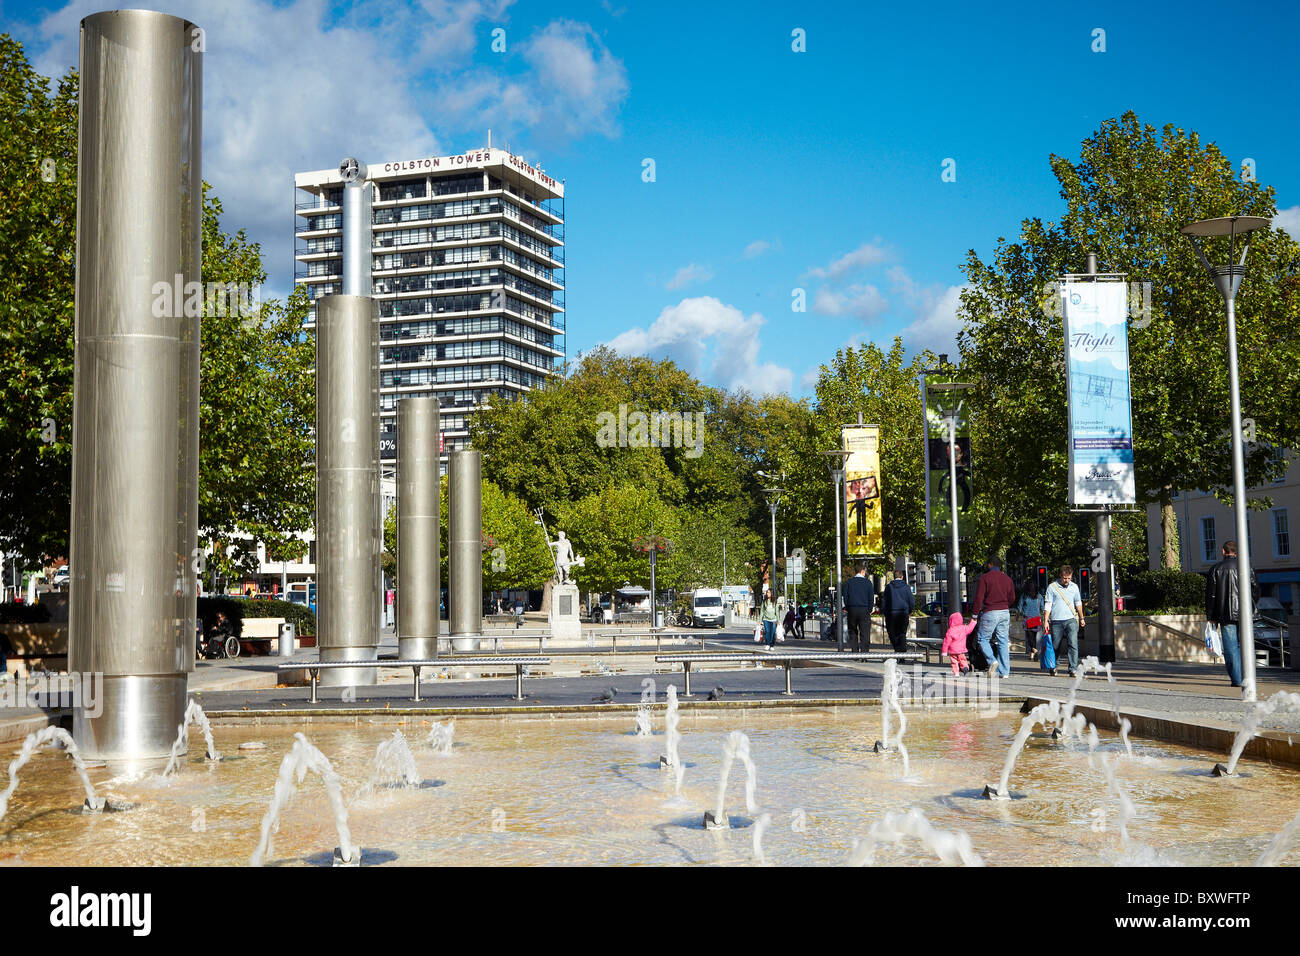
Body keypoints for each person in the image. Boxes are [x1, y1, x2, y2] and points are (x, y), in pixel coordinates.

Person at [1205, 540, 1259, 689]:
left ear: (1223, 551)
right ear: (1237, 552)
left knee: (1231, 648)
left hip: (1225, 614)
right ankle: (1248, 676)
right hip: (1245, 613)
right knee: (1246, 645)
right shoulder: (1246, 567)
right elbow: (1255, 590)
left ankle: (1237, 679)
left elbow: (1211, 596)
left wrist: (1210, 616)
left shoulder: (1216, 569)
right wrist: (1250, 605)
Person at [971, 555, 1015, 678]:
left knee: (982, 639)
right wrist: (1004, 605)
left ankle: (992, 661)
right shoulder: (1008, 579)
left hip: (990, 611)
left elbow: (979, 597)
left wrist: (974, 614)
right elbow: (1012, 598)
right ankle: (1005, 672)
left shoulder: (985, 578)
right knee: (1003, 640)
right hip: (1005, 612)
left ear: (990, 564)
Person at [1042, 564, 1085, 677]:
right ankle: (1054, 666)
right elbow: (1048, 605)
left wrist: (1082, 618)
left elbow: (1078, 603)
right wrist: (1046, 620)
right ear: (1060, 576)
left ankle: (1072, 669)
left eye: (1069, 578)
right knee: (1056, 645)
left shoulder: (1074, 587)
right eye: (1065, 578)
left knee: (1073, 644)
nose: (1067, 581)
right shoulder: (1052, 587)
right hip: (1056, 621)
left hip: (1071, 620)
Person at [880, 570, 915, 654]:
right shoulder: (906, 587)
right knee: (902, 633)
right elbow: (911, 601)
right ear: (902, 577)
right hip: (903, 613)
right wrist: (909, 611)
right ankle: (902, 653)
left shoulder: (889, 587)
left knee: (892, 633)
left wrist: (885, 612)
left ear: (894, 577)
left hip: (891, 614)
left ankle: (897, 649)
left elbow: (884, 601)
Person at [843, 563, 875, 653]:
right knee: (865, 633)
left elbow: (845, 597)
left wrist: (848, 607)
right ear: (862, 571)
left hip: (852, 609)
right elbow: (871, 598)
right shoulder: (868, 583)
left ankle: (855, 652)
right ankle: (864, 653)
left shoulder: (849, 582)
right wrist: (869, 609)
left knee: (852, 631)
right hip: (864, 609)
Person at [942, 612, 977, 677]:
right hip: (961, 649)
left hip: (952, 650)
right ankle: (965, 668)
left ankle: (956, 673)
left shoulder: (950, 630)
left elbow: (946, 642)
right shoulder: (963, 628)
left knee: (954, 662)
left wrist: (944, 651)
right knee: (963, 660)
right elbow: (970, 628)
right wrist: (973, 622)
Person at [1017, 581, 1042, 661]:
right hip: (1036, 618)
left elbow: (1019, 607)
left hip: (1027, 618)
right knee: (1033, 637)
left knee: (1029, 637)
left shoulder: (1024, 596)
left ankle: (1035, 650)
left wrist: (1018, 615)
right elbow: (1042, 607)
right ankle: (1032, 655)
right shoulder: (1039, 596)